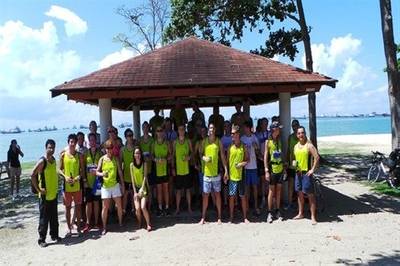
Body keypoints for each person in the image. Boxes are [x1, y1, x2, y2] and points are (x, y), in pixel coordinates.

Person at [31, 139, 61, 247]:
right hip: (44, 196)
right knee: (44, 218)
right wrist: (39, 189)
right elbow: (32, 174)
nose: (51, 149)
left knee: (54, 217)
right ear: (45, 148)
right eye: (49, 147)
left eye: (53, 147)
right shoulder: (42, 161)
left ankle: (54, 235)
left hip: (53, 194)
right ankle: (41, 239)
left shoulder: (53, 159)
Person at [199, 123, 228, 225]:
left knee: (217, 195)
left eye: (212, 128)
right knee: (205, 196)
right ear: (208, 130)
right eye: (210, 128)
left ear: (215, 130)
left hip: (216, 173)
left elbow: (223, 157)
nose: (211, 130)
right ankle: (203, 217)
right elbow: (200, 153)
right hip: (206, 173)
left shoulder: (218, 142)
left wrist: (226, 170)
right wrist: (203, 158)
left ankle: (219, 217)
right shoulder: (204, 141)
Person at [96, 139, 125, 235]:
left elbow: (120, 172)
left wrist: (122, 184)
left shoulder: (116, 158)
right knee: (105, 207)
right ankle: (104, 227)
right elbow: (97, 172)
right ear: (105, 149)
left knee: (119, 205)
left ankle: (120, 223)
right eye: (107, 148)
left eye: (111, 148)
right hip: (105, 186)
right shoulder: (102, 159)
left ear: (113, 149)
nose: (109, 150)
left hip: (115, 185)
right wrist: (102, 174)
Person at [59, 134, 85, 236]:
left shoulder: (80, 155)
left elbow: (82, 170)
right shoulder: (63, 155)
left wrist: (79, 177)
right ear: (68, 143)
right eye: (70, 142)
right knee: (67, 208)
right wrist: (65, 177)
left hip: (77, 186)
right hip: (66, 187)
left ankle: (78, 227)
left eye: (74, 142)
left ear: (76, 143)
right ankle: (69, 227)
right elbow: (59, 169)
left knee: (78, 207)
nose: (72, 144)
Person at [293, 126, 320, 225]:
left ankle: (313, 216)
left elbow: (317, 157)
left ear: (305, 134)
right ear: (297, 135)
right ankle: (300, 213)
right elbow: (295, 159)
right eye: (299, 133)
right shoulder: (295, 146)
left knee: (310, 195)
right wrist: (294, 165)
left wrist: (312, 170)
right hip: (298, 173)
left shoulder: (309, 146)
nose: (301, 135)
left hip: (306, 174)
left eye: (302, 133)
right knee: (299, 194)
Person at [227, 125, 249, 223]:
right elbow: (227, 162)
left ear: (238, 134)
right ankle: (231, 216)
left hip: (241, 176)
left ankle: (245, 217)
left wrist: (241, 164)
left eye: (233, 133)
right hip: (232, 176)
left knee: (243, 196)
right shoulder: (230, 147)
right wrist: (226, 173)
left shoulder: (243, 146)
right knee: (231, 197)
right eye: (231, 133)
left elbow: (248, 160)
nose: (232, 135)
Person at [264, 121, 284, 223]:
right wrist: (266, 170)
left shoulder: (279, 140)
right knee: (271, 191)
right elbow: (265, 157)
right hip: (272, 169)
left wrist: (284, 168)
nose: (279, 130)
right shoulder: (268, 142)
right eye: (278, 128)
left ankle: (277, 210)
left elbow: (281, 154)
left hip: (280, 168)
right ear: (273, 130)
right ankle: (269, 212)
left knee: (279, 190)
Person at [172, 124, 194, 215]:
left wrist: (189, 157)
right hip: (178, 170)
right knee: (178, 191)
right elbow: (173, 155)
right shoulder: (175, 142)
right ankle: (177, 208)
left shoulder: (188, 141)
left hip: (187, 170)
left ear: (185, 130)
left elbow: (193, 153)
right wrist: (173, 168)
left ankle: (189, 208)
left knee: (188, 190)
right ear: (178, 131)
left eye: (183, 129)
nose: (181, 131)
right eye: (180, 129)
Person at [83, 133, 102, 232]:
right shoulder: (86, 153)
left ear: (96, 141)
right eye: (90, 140)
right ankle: (88, 223)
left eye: (94, 140)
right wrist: (85, 180)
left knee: (96, 203)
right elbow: (82, 168)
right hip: (88, 183)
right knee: (88, 203)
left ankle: (96, 223)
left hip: (97, 183)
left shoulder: (100, 153)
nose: (92, 142)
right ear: (89, 142)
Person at [240, 120, 261, 216]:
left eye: (245, 127)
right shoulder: (242, 138)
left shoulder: (254, 138)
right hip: (245, 167)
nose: (244, 129)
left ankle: (256, 206)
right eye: (243, 128)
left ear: (249, 128)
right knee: (247, 188)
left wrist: (256, 147)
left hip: (254, 166)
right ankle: (247, 207)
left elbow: (258, 153)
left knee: (255, 187)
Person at [130, 146, 152, 232]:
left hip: (143, 188)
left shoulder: (144, 164)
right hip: (136, 188)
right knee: (137, 208)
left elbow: (145, 177)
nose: (137, 155)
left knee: (143, 207)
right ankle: (139, 222)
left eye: (139, 153)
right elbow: (132, 180)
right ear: (134, 155)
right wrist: (135, 192)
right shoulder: (131, 165)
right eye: (136, 153)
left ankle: (148, 224)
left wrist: (142, 189)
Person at [152, 125, 172, 216]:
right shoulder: (154, 143)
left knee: (166, 189)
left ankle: (167, 207)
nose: (159, 133)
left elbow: (171, 155)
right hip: (157, 170)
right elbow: (151, 156)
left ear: (163, 132)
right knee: (159, 190)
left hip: (165, 169)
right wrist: (155, 159)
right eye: (158, 131)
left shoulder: (167, 143)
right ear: (156, 133)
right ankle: (160, 208)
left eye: (161, 131)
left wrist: (166, 159)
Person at [139, 121, 155, 210]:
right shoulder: (139, 140)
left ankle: (150, 206)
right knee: (143, 188)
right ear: (142, 129)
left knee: (151, 188)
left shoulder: (152, 139)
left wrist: (150, 157)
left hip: (150, 166)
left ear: (149, 128)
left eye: (146, 127)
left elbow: (153, 153)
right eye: (143, 127)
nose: (145, 129)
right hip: (142, 168)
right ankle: (144, 206)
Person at [255, 118, 269, 208]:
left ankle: (270, 199)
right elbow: (256, 148)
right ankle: (263, 199)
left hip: (269, 160)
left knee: (269, 180)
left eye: (266, 123)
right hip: (260, 160)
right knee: (263, 181)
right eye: (263, 123)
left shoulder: (270, 133)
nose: (265, 125)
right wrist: (260, 157)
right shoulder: (257, 135)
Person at [286, 119, 300, 209]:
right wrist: (286, 162)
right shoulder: (290, 137)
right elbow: (288, 151)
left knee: (299, 186)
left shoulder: (302, 137)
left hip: (300, 165)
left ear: (298, 126)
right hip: (291, 164)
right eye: (293, 126)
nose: (294, 127)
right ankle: (290, 203)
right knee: (291, 185)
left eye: (295, 125)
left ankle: (300, 205)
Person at [121, 128, 135, 216]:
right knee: (125, 195)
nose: (130, 137)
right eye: (128, 136)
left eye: (131, 135)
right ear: (125, 137)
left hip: (135, 176)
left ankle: (134, 211)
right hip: (126, 176)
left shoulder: (136, 148)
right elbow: (120, 163)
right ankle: (123, 212)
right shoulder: (122, 150)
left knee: (134, 194)